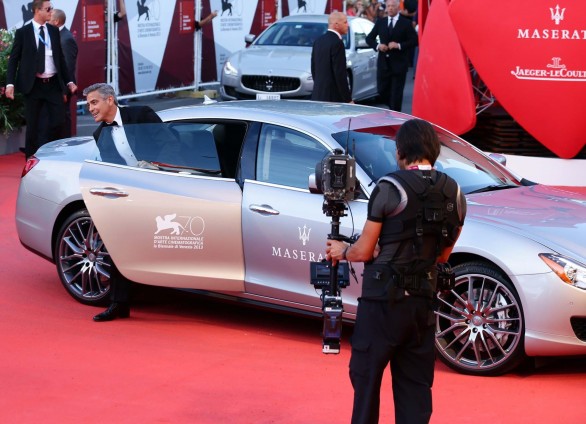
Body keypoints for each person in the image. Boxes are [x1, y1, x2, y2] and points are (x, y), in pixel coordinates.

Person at [326, 119, 466, 424]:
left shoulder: (390, 187)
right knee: (415, 391)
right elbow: (443, 254)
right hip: (423, 306)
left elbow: (363, 251)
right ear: (434, 150)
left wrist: (342, 251)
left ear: (400, 150)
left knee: (366, 381)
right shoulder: (455, 192)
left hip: (383, 304)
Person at [82, 82, 162, 322]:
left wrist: (154, 163)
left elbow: (171, 141)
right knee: (118, 239)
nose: (90, 109)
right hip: (132, 194)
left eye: (94, 102)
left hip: (163, 187)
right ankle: (119, 304)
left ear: (110, 100)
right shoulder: (100, 134)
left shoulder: (141, 114)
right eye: (88, 105)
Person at [5, 0, 77, 159]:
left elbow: (60, 60)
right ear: (37, 11)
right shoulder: (23, 33)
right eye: (48, 9)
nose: (51, 11)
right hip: (33, 85)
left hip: (52, 84)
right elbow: (14, 59)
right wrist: (10, 83)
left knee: (59, 122)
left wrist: (69, 81)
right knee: (33, 125)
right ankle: (31, 161)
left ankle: (55, 157)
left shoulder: (53, 30)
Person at [366, 0, 417, 111]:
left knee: (396, 96)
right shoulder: (381, 22)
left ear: (398, 8)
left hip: (399, 65)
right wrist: (378, 46)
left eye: (393, 6)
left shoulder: (405, 23)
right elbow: (369, 38)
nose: (390, 8)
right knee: (382, 90)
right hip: (383, 65)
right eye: (388, 6)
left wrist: (398, 45)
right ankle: (391, 110)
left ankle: (395, 120)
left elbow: (414, 41)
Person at [310, 11, 353, 103]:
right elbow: (340, 74)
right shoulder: (337, 43)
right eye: (345, 22)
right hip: (333, 99)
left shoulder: (318, 41)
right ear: (336, 25)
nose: (347, 25)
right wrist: (348, 99)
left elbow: (314, 69)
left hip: (318, 95)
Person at [50, 8, 78, 138]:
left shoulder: (66, 39)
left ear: (56, 21)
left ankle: (66, 146)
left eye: (49, 17)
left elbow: (67, 67)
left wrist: (64, 90)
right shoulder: (56, 35)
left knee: (63, 118)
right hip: (53, 86)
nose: (46, 19)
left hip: (62, 88)